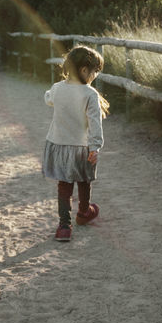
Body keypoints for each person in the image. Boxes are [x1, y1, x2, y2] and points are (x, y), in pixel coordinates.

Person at [43, 45, 110, 242]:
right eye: (95, 71)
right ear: (83, 70)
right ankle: (83, 212)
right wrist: (95, 146)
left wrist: (53, 95)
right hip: (81, 146)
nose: (95, 75)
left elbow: (48, 98)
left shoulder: (57, 89)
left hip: (59, 144)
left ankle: (64, 226)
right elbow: (95, 124)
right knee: (83, 180)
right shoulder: (89, 94)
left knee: (64, 185)